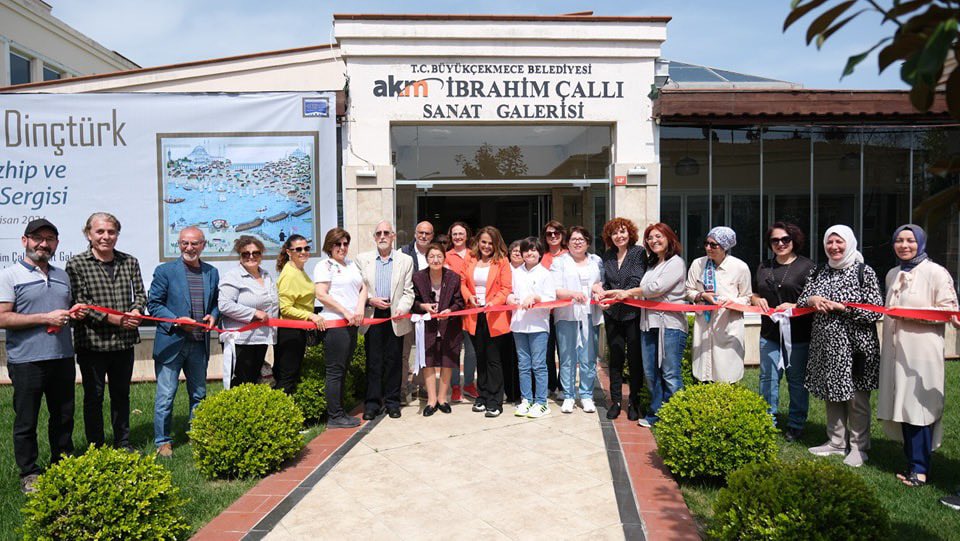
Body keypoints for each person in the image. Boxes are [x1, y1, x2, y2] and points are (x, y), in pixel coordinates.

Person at [1, 219, 84, 493]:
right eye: (38, 238)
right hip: (27, 360)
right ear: (24, 241)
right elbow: (2, 317)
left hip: (61, 356)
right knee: (27, 420)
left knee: (63, 416)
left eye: (50, 239)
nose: (44, 244)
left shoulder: (62, 276)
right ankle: (30, 472)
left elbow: (62, 312)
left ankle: (62, 463)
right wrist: (43, 318)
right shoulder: (9, 275)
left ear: (56, 244)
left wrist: (75, 312)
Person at [877, 224, 959, 486]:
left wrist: (912, 316)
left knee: (918, 407)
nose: (904, 246)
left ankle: (920, 469)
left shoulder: (936, 272)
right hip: (895, 350)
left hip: (921, 351)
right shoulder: (893, 273)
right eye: (898, 240)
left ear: (920, 243)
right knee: (901, 403)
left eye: (910, 241)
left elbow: (949, 311)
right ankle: (911, 460)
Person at [798, 224, 883, 468]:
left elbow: (875, 309)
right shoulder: (819, 271)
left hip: (856, 347)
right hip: (826, 345)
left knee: (856, 397)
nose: (834, 247)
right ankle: (835, 441)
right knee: (831, 392)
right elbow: (804, 298)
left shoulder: (863, 272)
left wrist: (843, 308)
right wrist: (812, 299)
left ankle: (859, 446)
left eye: (839, 242)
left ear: (850, 243)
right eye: (830, 242)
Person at [65, 212, 146, 452]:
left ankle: (123, 443)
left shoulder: (129, 261)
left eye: (111, 232)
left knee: (121, 396)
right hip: (92, 343)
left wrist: (136, 310)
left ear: (117, 234)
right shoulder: (76, 264)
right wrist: (117, 319)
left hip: (124, 343)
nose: (106, 237)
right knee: (94, 398)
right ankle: (96, 446)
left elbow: (141, 294)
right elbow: (81, 302)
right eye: (100, 232)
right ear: (88, 234)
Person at [603, 223, 687, 428]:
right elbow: (640, 285)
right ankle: (656, 412)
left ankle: (676, 416)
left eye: (658, 237)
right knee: (651, 371)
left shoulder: (674, 262)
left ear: (669, 238)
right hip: (648, 322)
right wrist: (603, 290)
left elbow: (654, 288)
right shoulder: (653, 262)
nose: (654, 241)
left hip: (668, 324)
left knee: (669, 372)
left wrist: (626, 293)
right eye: (650, 238)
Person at [148, 226, 220, 458]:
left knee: (199, 394)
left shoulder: (211, 272)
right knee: (166, 396)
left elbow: (216, 303)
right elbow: (154, 305)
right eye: (184, 243)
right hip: (172, 343)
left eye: (194, 243)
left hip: (199, 344)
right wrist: (177, 321)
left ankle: (196, 434)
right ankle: (163, 441)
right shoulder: (165, 271)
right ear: (179, 244)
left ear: (203, 245)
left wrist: (214, 315)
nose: (189, 248)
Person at [751, 222, 816, 440]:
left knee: (796, 380)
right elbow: (753, 293)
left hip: (797, 336)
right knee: (768, 378)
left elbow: (813, 299)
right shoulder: (763, 266)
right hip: (769, 334)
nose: (780, 244)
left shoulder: (807, 267)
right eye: (775, 240)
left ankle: (796, 423)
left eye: (785, 239)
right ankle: (767, 419)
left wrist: (796, 306)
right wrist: (757, 299)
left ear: (794, 240)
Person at [356, 221, 414, 420]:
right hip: (372, 315)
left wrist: (402, 308)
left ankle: (392, 403)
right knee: (373, 362)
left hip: (395, 316)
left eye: (386, 233)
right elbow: (357, 289)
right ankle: (372, 404)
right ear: (374, 237)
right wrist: (371, 300)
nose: (382, 236)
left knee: (394, 361)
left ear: (393, 236)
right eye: (378, 233)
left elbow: (408, 292)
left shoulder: (405, 261)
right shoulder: (362, 260)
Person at [684, 226, 752, 384]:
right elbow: (688, 290)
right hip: (705, 325)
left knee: (727, 371)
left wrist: (731, 303)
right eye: (706, 243)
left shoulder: (740, 267)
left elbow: (747, 297)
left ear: (725, 247)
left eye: (714, 245)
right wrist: (701, 295)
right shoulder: (698, 264)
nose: (708, 248)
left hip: (728, 324)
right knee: (703, 371)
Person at [314, 227, 367, 428]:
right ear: (330, 245)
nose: (342, 247)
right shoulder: (324, 266)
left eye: (345, 243)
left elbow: (364, 287)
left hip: (351, 324)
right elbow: (321, 294)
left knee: (343, 369)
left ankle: (340, 411)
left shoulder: (352, 265)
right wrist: (345, 312)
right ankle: (335, 416)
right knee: (335, 371)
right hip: (335, 324)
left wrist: (360, 308)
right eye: (338, 244)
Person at [595, 217, 646, 420]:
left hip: (632, 313)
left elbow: (636, 280)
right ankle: (615, 401)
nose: (619, 236)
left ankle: (634, 402)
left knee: (635, 359)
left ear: (630, 233)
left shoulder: (638, 252)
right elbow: (605, 283)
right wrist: (601, 294)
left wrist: (612, 295)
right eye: (615, 233)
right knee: (615, 358)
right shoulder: (607, 255)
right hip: (612, 314)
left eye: (623, 232)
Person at [461, 226, 513, 417]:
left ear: (496, 243)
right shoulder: (470, 258)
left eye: (490, 243)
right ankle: (481, 396)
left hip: (494, 315)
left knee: (493, 359)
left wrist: (493, 302)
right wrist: (469, 297)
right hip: (474, 314)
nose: (486, 246)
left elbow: (506, 288)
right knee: (479, 357)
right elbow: (462, 283)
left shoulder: (502, 261)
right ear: (478, 242)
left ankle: (495, 401)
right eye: (483, 242)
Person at [552, 226, 604, 414]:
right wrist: (574, 294)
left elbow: (600, 283)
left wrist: (598, 289)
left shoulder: (596, 261)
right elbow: (556, 289)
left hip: (590, 314)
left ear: (588, 242)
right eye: (574, 238)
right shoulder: (560, 262)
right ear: (568, 242)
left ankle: (586, 395)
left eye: (581, 239)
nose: (577, 242)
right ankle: (568, 395)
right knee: (567, 357)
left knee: (588, 357)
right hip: (567, 315)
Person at [218, 235, 278, 388]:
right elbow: (224, 305)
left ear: (261, 255)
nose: (251, 256)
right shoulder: (233, 276)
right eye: (246, 254)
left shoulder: (266, 275)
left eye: (255, 253)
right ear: (240, 256)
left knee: (254, 383)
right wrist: (253, 313)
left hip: (261, 338)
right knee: (241, 384)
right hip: (240, 339)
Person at [412, 243, 465, 416]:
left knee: (446, 361)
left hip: (449, 326)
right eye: (432, 256)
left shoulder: (453, 278)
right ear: (427, 259)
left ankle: (443, 399)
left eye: (439, 256)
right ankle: (431, 400)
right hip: (427, 326)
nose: (435, 260)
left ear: (444, 258)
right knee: (428, 362)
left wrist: (450, 311)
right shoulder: (418, 277)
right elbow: (413, 302)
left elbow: (460, 302)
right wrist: (424, 306)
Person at [508, 237, 556, 418]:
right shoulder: (515, 272)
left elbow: (551, 300)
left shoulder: (545, 273)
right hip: (519, 324)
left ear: (540, 253)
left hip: (538, 326)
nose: (530, 253)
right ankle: (526, 400)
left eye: (534, 250)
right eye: (527, 250)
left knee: (538, 365)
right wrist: (509, 298)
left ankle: (541, 402)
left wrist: (536, 298)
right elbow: (510, 292)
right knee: (523, 365)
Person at [275, 234, 326, 395]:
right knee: (287, 376)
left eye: (306, 248)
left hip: (298, 330)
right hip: (290, 332)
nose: (303, 252)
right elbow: (286, 308)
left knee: (293, 373)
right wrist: (310, 316)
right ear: (289, 252)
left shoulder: (299, 270)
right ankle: (282, 415)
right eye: (298, 249)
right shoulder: (289, 274)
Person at [400, 221, 434, 400]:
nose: (423, 236)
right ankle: (403, 388)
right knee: (405, 351)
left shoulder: (434, 253)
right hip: (407, 309)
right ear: (415, 234)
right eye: (420, 232)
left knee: (424, 349)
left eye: (427, 233)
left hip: (426, 310)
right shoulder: (403, 252)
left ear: (432, 236)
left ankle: (421, 384)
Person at [445, 221, 479, 401]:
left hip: (471, 308)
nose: (458, 237)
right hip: (452, 308)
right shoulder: (445, 256)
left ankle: (468, 383)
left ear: (467, 236)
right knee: (454, 349)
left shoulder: (475, 255)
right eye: (454, 234)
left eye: (461, 233)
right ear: (451, 236)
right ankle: (455, 385)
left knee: (472, 350)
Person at [540, 220, 567, 400]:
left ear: (562, 235)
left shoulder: (569, 256)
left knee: (565, 351)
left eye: (556, 233)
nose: (553, 236)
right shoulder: (542, 257)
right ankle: (551, 386)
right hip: (546, 313)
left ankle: (564, 387)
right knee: (548, 352)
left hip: (565, 312)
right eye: (549, 234)